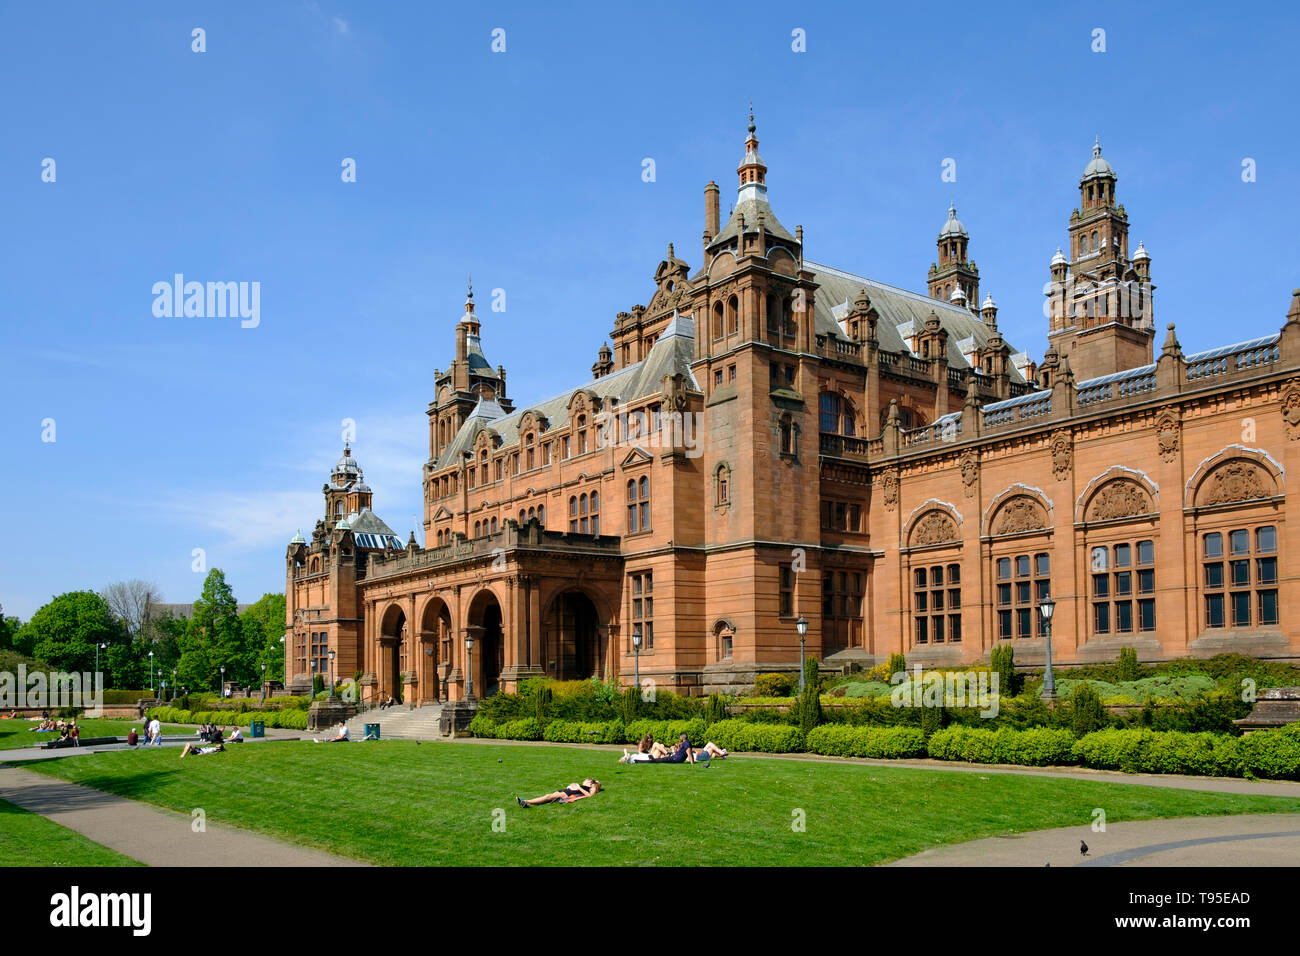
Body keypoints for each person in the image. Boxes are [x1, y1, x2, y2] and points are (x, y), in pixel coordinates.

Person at [516, 778, 601, 807]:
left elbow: (590, 795)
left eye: (586, 780)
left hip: (569, 792)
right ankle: (528, 802)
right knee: (548, 797)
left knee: (548, 796)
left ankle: (526, 801)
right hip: (566, 790)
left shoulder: (592, 785)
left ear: (590, 781)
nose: (584, 781)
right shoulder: (586, 784)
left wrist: (579, 787)